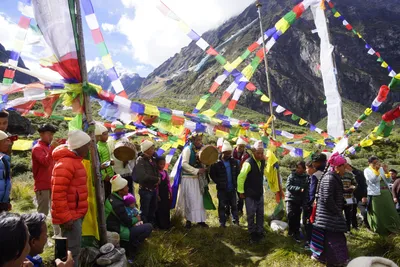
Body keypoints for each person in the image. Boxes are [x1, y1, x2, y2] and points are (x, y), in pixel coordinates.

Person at [51, 130, 91, 266]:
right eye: (87, 145)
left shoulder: (73, 161)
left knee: (69, 250)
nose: (88, 148)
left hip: (74, 214)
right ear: (79, 146)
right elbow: (58, 193)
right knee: (71, 252)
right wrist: (66, 217)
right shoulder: (66, 163)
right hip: (70, 216)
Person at [310, 153, 349, 266]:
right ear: (337, 167)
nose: (345, 168)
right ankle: (337, 261)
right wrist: (337, 210)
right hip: (329, 215)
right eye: (343, 166)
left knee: (329, 238)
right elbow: (327, 198)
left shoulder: (332, 177)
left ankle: (327, 258)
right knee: (334, 239)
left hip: (329, 215)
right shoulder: (329, 178)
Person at [105, 175, 153, 255]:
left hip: (116, 226)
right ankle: (132, 246)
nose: (128, 188)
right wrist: (137, 219)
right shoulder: (117, 205)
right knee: (149, 227)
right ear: (120, 191)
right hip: (118, 230)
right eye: (126, 187)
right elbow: (127, 222)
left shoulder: (112, 197)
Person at [31, 124, 61, 236]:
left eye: (52, 134)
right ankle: (39, 237)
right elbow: (46, 163)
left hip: (52, 184)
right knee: (42, 214)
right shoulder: (37, 148)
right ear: (41, 134)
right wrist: (53, 148)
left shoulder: (48, 147)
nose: (51, 137)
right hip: (42, 185)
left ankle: (57, 235)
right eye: (49, 134)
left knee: (56, 211)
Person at [178, 132, 208, 229]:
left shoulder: (202, 150)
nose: (200, 141)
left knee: (199, 200)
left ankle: (200, 220)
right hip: (188, 178)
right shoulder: (187, 149)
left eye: (200, 139)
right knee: (190, 199)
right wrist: (196, 170)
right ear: (193, 140)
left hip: (198, 179)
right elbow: (184, 164)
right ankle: (189, 220)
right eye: (198, 140)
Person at [237, 140, 266, 243]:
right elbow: (241, 177)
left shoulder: (262, 161)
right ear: (253, 152)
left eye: (262, 153)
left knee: (260, 213)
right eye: (258, 153)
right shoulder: (248, 163)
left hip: (259, 192)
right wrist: (241, 191)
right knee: (251, 213)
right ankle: (252, 232)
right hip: (249, 193)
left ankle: (259, 231)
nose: (260, 155)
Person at [364, 156, 400, 235]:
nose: (376, 164)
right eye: (374, 163)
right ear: (369, 163)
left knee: (390, 209)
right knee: (379, 212)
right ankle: (380, 229)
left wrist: (386, 171)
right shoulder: (367, 170)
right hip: (375, 194)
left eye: (377, 162)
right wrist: (376, 171)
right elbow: (373, 180)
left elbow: (389, 180)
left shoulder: (380, 169)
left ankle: (394, 227)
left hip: (386, 192)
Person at [209, 141, 240, 228]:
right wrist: (218, 182)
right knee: (222, 206)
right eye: (226, 153)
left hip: (232, 188)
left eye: (230, 153)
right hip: (222, 189)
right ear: (222, 153)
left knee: (234, 205)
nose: (228, 155)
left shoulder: (234, 162)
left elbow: (238, 173)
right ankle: (222, 223)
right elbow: (212, 174)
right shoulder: (216, 163)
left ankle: (235, 222)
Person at [134, 140, 159, 225]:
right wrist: (156, 179)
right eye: (151, 148)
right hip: (145, 189)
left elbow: (156, 170)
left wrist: (158, 179)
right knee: (145, 210)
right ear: (146, 149)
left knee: (153, 208)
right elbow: (143, 176)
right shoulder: (140, 160)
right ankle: (144, 225)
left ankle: (151, 225)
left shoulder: (152, 159)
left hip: (153, 189)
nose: (153, 150)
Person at [107, 120, 136, 194]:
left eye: (121, 129)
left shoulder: (125, 139)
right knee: (119, 189)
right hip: (116, 169)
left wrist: (127, 160)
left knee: (128, 188)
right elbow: (110, 154)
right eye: (118, 129)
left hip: (127, 168)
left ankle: (130, 202)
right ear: (114, 130)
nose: (120, 130)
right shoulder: (110, 141)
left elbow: (130, 152)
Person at [285, 161, 308, 242]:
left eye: (299, 168)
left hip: (299, 200)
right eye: (297, 167)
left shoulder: (306, 177)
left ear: (304, 169)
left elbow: (306, 190)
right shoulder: (292, 176)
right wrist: (298, 189)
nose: (297, 169)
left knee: (297, 216)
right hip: (290, 199)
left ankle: (296, 233)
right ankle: (291, 231)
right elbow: (288, 186)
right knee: (290, 215)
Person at [346, 158, 368, 230]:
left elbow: (364, 185)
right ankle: (353, 226)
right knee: (351, 210)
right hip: (349, 196)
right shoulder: (344, 173)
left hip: (359, 195)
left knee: (364, 211)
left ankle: (367, 225)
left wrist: (364, 196)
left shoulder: (358, 173)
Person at [95, 123, 114, 200]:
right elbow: (99, 163)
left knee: (109, 194)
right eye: (104, 134)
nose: (107, 136)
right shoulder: (98, 147)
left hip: (110, 174)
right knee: (105, 196)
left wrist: (110, 161)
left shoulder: (107, 145)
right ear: (99, 136)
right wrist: (104, 175)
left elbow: (107, 159)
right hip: (104, 176)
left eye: (107, 134)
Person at [233, 137, 250, 215]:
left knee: (241, 196)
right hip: (232, 177)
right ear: (236, 146)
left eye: (242, 146)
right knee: (232, 196)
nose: (241, 148)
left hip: (243, 178)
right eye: (239, 146)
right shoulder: (231, 153)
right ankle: (232, 212)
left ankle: (240, 211)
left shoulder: (247, 155)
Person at [155, 156, 172, 230]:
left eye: (163, 164)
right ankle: (160, 225)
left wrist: (170, 192)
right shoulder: (156, 173)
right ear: (157, 164)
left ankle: (167, 225)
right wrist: (157, 194)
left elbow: (168, 183)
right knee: (159, 209)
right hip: (159, 194)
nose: (162, 166)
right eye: (160, 164)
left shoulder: (165, 172)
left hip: (165, 194)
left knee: (166, 209)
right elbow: (156, 186)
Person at [304, 161, 317, 246]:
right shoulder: (308, 177)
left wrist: (309, 204)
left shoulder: (315, 177)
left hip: (312, 204)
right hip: (306, 203)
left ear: (312, 168)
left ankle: (309, 241)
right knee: (305, 221)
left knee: (310, 223)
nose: (306, 170)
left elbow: (312, 193)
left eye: (307, 168)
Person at [342, 162, 358, 232]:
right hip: (340, 197)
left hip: (349, 197)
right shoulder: (336, 174)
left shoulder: (350, 174)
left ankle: (348, 229)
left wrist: (352, 187)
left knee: (348, 213)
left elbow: (355, 184)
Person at [0, 131, 13, 213]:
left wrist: (6, 201)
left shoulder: (5, 159)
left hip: (3, 203)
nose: (8, 143)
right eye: (5, 141)